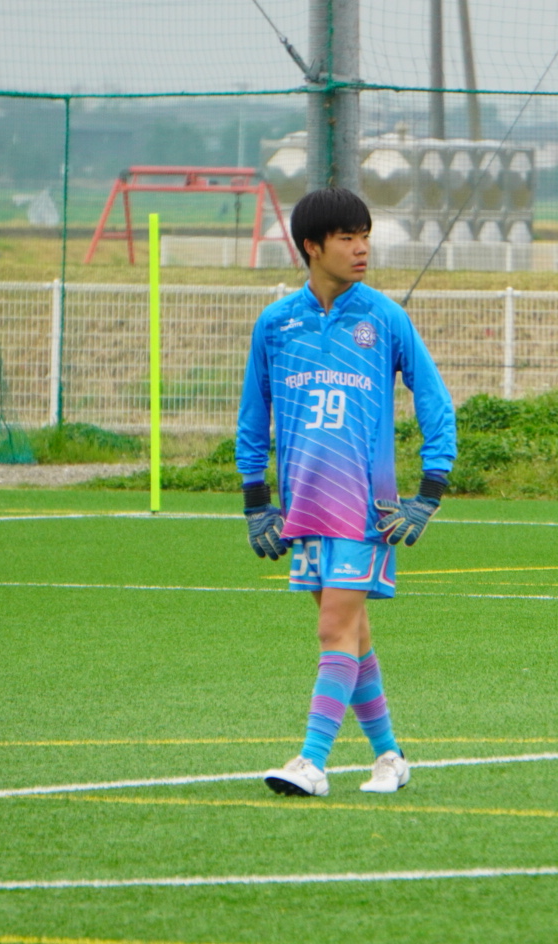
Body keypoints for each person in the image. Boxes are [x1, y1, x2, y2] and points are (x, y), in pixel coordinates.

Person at [236, 187, 456, 797]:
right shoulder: (276, 323)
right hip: (304, 510)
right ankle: (390, 757)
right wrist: (256, 501)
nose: (362, 249)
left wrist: (429, 491)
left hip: (367, 511)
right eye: (347, 238)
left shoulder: (385, 318)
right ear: (312, 246)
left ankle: (311, 762)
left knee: (333, 628)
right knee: (351, 635)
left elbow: (435, 402)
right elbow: (254, 416)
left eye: (365, 237)